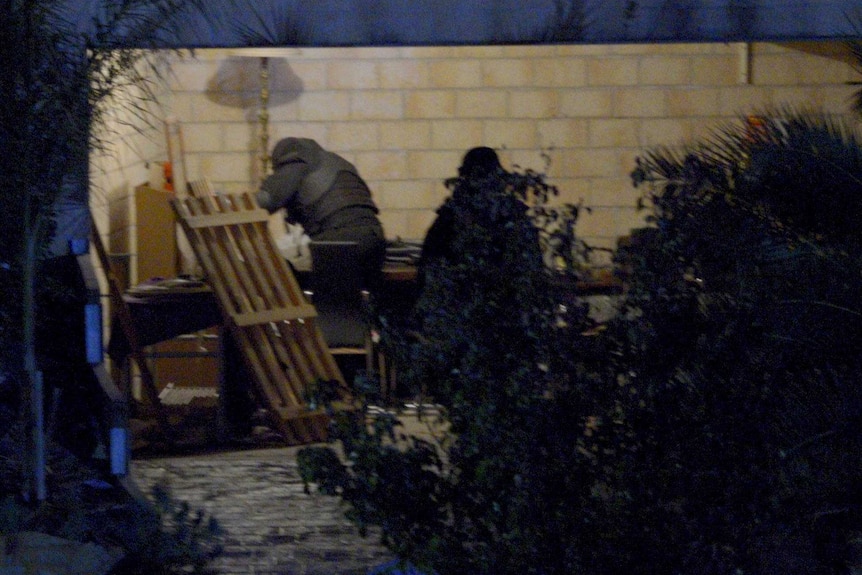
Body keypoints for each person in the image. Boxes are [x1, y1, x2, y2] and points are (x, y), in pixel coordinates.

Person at [256, 137, 386, 287]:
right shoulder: (337, 161)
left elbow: (265, 201)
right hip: (375, 236)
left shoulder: (297, 163)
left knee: (330, 305)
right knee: (362, 301)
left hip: (337, 241)